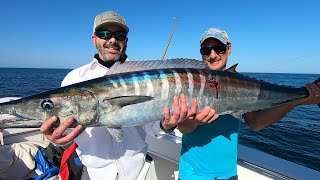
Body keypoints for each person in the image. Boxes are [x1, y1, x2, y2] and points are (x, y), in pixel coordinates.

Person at [39, 11, 216, 180]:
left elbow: (153, 128)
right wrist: (57, 138)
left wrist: (167, 125)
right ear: (94, 39)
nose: (113, 40)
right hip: (94, 174)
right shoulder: (74, 79)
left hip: (135, 172)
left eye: (119, 36)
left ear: (126, 41)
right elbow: (68, 130)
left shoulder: (148, 73)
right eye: (105, 34)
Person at [177, 28, 320, 180]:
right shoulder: (191, 82)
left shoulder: (244, 85)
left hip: (228, 175)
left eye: (219, 48)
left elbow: (256, 123)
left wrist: (299, 99)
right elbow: (183, 128)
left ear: (229, 49)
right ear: (201, 53)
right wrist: (195, 122)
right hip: (192, 175)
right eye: (206, 50)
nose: (212, 55)